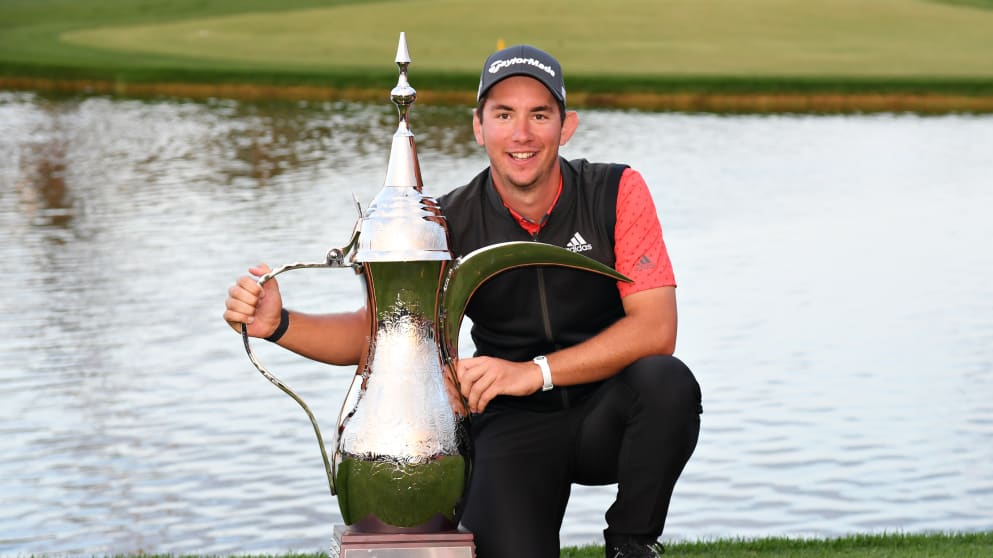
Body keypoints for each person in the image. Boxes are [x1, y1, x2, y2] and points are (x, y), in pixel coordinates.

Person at [224, 44, 702, 558]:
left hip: (607, 413)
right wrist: (279, 324)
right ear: (479, 127)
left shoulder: (616, 190)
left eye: (539, 115)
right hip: (511, 423)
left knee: (667, 383)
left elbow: (656, 329)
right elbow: (382, 334)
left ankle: (631, 544)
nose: (521, 134)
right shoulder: (449, 222)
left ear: (567, 127)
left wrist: (533, 371)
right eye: (503, 115)